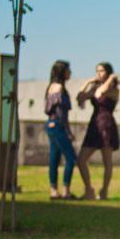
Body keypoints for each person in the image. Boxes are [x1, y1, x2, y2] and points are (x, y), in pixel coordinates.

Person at [76, 62, 120, 201]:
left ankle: (104, 192)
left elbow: (101, 92)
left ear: (108, 73)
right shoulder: (95, 87)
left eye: (101, 71)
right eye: (97, 71)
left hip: (106, 125)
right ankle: (89, 190)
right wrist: (88, 82)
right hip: (94, 125)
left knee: (107, 161)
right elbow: (79, 98)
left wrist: (110, 80)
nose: (98, 74)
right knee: (81, 159)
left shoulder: (113, 90)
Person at [44, 60, 77, 199]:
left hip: (51, 124)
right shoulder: (59, 88)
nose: (71, 72)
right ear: (62, 71)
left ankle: (53, 191)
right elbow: (60, 112)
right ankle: (65, 191)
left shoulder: (50, 87)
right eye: (68, 70)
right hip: (58, 125)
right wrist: (68, 131)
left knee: (54, 158)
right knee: (71, 158)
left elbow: (47, 110)